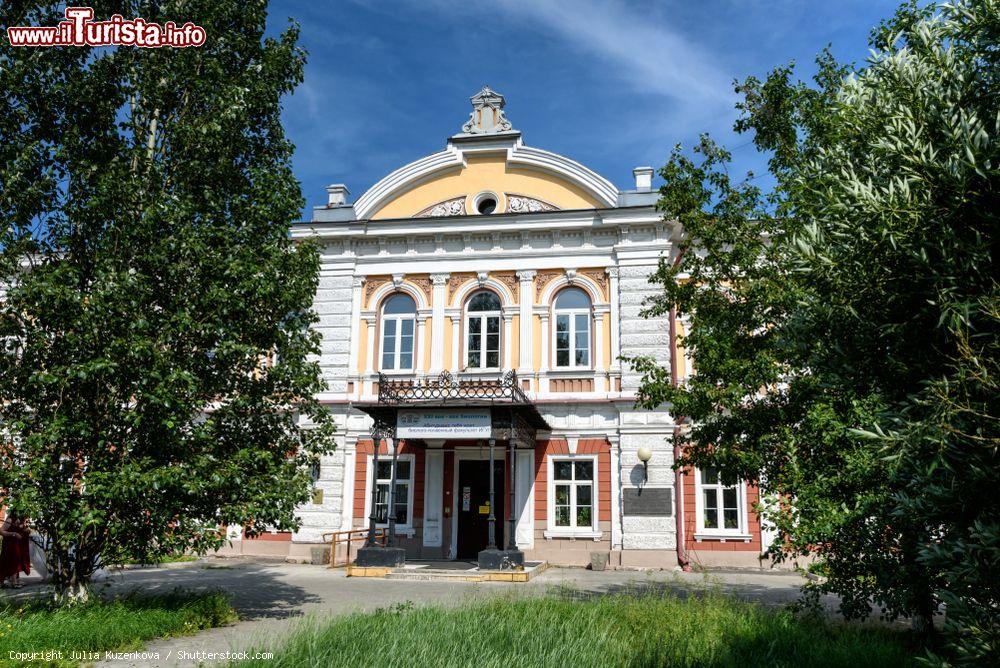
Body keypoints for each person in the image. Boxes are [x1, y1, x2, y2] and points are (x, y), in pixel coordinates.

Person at [0, 509, 31, 588]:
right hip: (10, 544)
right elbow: (1, 531)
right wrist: (14, 534)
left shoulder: (21, 520)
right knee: (13, 561)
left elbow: (21, 530)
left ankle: (16, 580)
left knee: (18, 561)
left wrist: (26, 530)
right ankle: (13, 582)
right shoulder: (10, 519)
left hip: (18, 544)